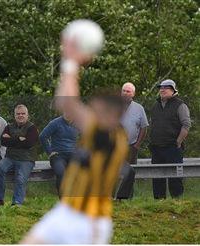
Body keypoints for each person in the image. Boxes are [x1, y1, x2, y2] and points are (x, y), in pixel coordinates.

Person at [21, 36, 129, 244]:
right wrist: (70, 64)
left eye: (97, 111)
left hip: (89, 221)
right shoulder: (99, 129)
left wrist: (71, 62)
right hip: (67, 210)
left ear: (112, 115)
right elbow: (64, 102)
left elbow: (69, 105)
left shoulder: (111, 137)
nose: (90, 114)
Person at [149, 79, 191, 199]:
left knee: (175, 178)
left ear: (173, 90)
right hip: (157, 148)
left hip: (173, 148)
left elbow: (186, 125)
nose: (162, 89)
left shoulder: (180, 105)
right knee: (157, 178)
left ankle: (177, 204)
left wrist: (178, 142)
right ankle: (159, 204)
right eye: (160, 87)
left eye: (166, 87)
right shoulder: (156, 105)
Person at [0, 104, 39, 206]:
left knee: (20, 177)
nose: (20, 115)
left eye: (23, 113)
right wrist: (19, 139)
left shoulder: (32, 128)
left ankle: (17, 203)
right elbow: (4, 141)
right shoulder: (9, 127)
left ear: (27, 115)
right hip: (10, 158)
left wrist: (11, 139)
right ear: (15, 115)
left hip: (26, 159)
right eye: (18, 114)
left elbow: (28, 143)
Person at [115, 82, 148, 199]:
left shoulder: (139, 108)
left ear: (133, 94)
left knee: (130, 173)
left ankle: (127, 199)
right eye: (123, 90)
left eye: (128, 91)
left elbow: (144, 127)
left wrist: (137, 144)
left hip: (131, 146)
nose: (125, 93)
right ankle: (112, 198)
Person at [39, 112, 79, 194]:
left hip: (72, 155)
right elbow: (43, 136)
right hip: (58, 155)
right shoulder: (55, 123)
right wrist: (49, 152)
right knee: (61, 172)